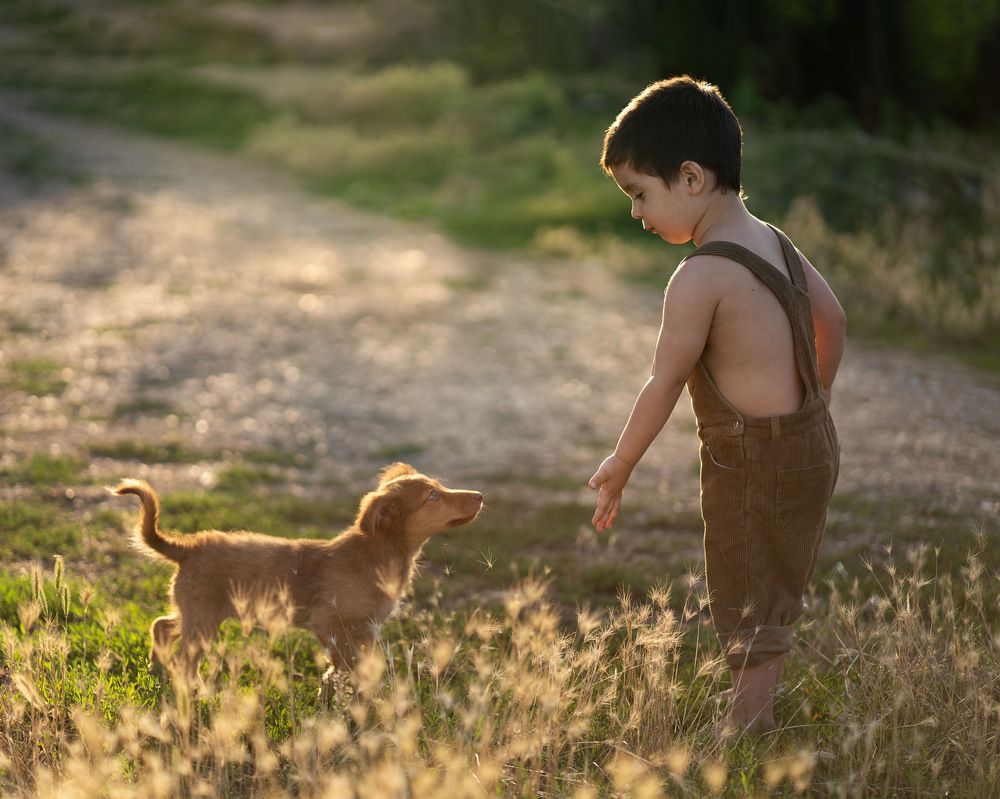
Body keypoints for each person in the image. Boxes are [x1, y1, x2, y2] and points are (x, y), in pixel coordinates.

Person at [588, 76, 845, 736]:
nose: (637, 213)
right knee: (777, 580)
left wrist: (621, 460)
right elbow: (832, 320)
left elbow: (663, 382)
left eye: (640, 193)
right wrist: (814, 404)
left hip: (751, 461)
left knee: (746, 589)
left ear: (692, 178)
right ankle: (758, 705)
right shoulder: (774, 240)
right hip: (810, 443)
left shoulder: (698, 277)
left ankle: (747, 726)